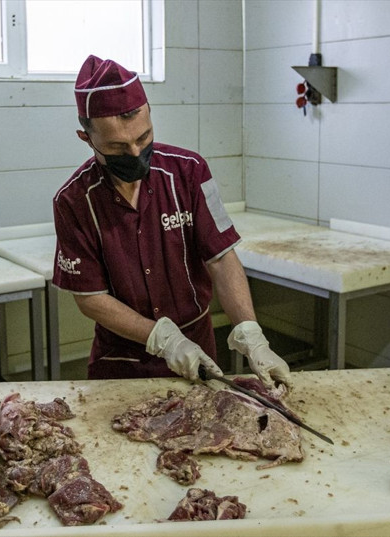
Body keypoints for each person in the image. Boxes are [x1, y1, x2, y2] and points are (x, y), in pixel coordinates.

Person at [52, 55, 291, 390]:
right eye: (117, 147)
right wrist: (163, 338)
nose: (135, 153)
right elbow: (89, 297)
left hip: (198, 351)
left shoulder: (191, 172)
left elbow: (221, 257)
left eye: (143, 137)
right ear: (86, 138)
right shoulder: (73, 201)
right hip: (122, 360)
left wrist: (251, 334)